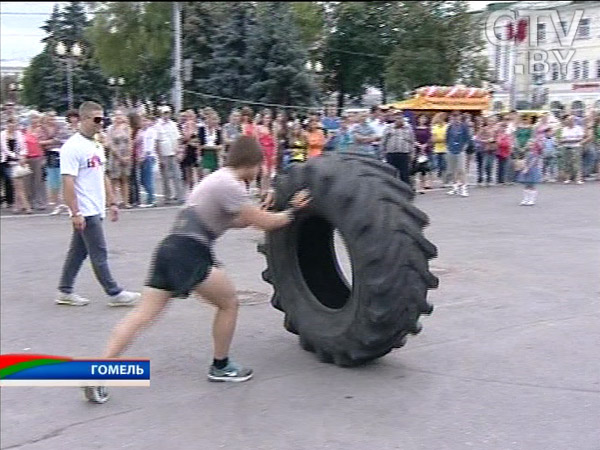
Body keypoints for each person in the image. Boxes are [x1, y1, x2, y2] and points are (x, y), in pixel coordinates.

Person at [82, 136, 311, 403]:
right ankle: (221, 365)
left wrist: (259, 211)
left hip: (169, 248)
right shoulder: (232, 185)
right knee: (229, 304)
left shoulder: (217, 179)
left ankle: (96, 373)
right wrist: (293, 211)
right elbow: (265, 223)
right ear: (254, 163)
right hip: (190, 252)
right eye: (260, 165)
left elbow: (235, 220)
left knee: (141, 316)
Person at [56, 101, 141, 307]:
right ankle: (114, 292)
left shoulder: (95, 144)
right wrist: (75, 212)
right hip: (85, 209)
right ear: (83, 119)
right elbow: (68, 182)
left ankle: (65, 290)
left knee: (78, 251)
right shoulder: (72, 147)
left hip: (96, 206)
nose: (100, 123)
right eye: (96, 119)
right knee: (99, 251)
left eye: (103, 119)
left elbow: (102, 175)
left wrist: (112, 202)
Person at [156, 105, 184, 205]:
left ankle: (180, 196)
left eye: (168, 113)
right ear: (161, 114)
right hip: (164, 153)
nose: (166, 115)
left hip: (174, 152)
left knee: (177, 175)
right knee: (165, 177)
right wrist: (159, 158)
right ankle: (167, 197)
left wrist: (180, 152)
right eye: (164, 113)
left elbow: (178, 139)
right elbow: (157, 142)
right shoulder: (158, 125)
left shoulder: (173, 124)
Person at [106, 110, 132, 208]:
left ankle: (126, 202)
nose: (118, 117)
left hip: (126, 155)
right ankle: (113, 201)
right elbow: (109, 144)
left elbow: (129, 141)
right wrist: (119, 157)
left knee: (125, 180)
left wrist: (128, 156)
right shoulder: (110, 129)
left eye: (120, 115)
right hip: (115, 157)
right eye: (116, 115)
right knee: (114, 180)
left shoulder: (127, 128)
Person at [382, 113, 415, 186]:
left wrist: (412, 153)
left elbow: (412, 141)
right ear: (394, 119)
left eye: (400, 118)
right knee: (391, 173)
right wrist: (383, 153)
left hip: (404, 153)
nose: (399, 120)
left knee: (404, 173)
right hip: (391, 154)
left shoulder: (408, 128)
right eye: (397, 118)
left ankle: (406, 190)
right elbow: (384, 141)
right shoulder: (389, 128)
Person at [0, 117, 26, 211]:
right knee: (11, 181)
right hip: (6, 160)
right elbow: (4, 148)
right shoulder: (3, 134)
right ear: (7, 124)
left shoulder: (19, 134)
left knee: (18, 183)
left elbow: (23, 146)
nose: (12, 125)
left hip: (17, 161)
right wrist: (16, 156)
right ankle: (18, 203)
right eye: (10, 123)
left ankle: (18, 204)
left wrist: (22, 155)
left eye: (14, 123)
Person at [23, 112, 46, 210]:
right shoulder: (25, 130)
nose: (34, 120)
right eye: (32, 118)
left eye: (36, 118)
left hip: (37, 157)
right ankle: (29, 201)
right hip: (27, 158)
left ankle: (39, 201)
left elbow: (42, 144)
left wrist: (43, 157)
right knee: (27, 181)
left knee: (38, 181)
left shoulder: (41, 130)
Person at [445, 112, 471, 197]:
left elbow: (467, 138)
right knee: (453, 170)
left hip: (460, 150)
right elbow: (447, 138)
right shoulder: (450, 127)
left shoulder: (464, 126)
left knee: (461, 170)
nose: (455, 118)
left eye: (457, 116)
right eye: (454, 116)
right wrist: (448, 147)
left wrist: (464, 148)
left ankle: (463, 189)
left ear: (460, 117)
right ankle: (455, 187)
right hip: (451, 149)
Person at [559, 114, 585, 184]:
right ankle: (568, 178)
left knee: (577, 163)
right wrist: (568, 140)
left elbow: (580, 138)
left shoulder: (578, 128)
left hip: (576, 147)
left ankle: (578, 179)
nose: (569, 121)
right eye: (568, 120)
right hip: (566, 147)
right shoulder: (564, 129)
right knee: (567, 163)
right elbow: (562, 139)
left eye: (571, 120)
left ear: (574, 121)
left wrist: (568, 140)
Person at [517, 139, 543, 206]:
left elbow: (533, 162)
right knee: (526, 185)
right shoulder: (527, 152)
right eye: (529, 145)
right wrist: (524, 167)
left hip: (533, 170)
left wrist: (527, 168)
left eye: (531, 145)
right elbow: (525, 160)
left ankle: (532, 200)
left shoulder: (535, 153)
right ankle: (525, 199)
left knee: (532, 185)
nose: (530, 146)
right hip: (526, 169)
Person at [256, 112, 276, 197]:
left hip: (271, 152)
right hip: (262, 151)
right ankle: (262, 190)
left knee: (269, 173)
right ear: (262, 118)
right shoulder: (259, 128)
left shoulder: (272, 129)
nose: (267, 120)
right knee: (264, 173)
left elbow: (275, 142)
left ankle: (267, 191)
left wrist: (275, 153)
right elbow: (257, 140)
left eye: (268, 118)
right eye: (265, 118)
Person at [181, 109, 199, 191]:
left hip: (195, 149)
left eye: (191, 115)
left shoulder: (197, 125)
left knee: (196, 170)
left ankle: (196, 189)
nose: (190, 118)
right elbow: (184, 138)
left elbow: (198, 138)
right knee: (188, 171)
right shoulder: (184, 126)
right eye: (188, 116)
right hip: (187, 149)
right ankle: (190, 189)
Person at [413, 114, 432, 192]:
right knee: (416, 168)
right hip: (416, 149)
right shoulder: (415, 129)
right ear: (418, 119)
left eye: (424, 118)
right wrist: (417, 144)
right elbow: (412, 138)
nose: (423, 120)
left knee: (424, 168)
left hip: (425, 150)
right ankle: (416, 185)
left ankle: (424, 184)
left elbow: (430, 138)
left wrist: (425, 145)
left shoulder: (428, 129)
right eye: (422, 118)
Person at [128, 112, 143, 207]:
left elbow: (134, 143)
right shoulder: (133, 130)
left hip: (133, 156)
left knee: (133, 178)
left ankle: (135, 199)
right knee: (132, 178)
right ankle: (133, 198)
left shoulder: (136, 131)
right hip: (132, 155)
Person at [476, 116, 496, 186]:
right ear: (487, 122)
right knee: (484, 165)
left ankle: (488, 179)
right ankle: (480, 179)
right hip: (485, 149)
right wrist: (485, 141)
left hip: (493, 149)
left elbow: (498, 138)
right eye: (490, 121)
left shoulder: (495, 129)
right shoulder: (484, 129)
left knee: (490, 165)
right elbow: (477, 138)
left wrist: (495, 140)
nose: (491, 122)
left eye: (493, 121)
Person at [431, 112, 448, 185]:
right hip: (436, 149)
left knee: (444, 166)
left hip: (446, 149)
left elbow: (448, 138)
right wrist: (443, 139)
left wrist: (439, 139)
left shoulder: (447, 126)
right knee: (436, 166)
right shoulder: (434, 127)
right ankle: (438, 177)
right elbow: (433, 139)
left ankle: (444, 182)